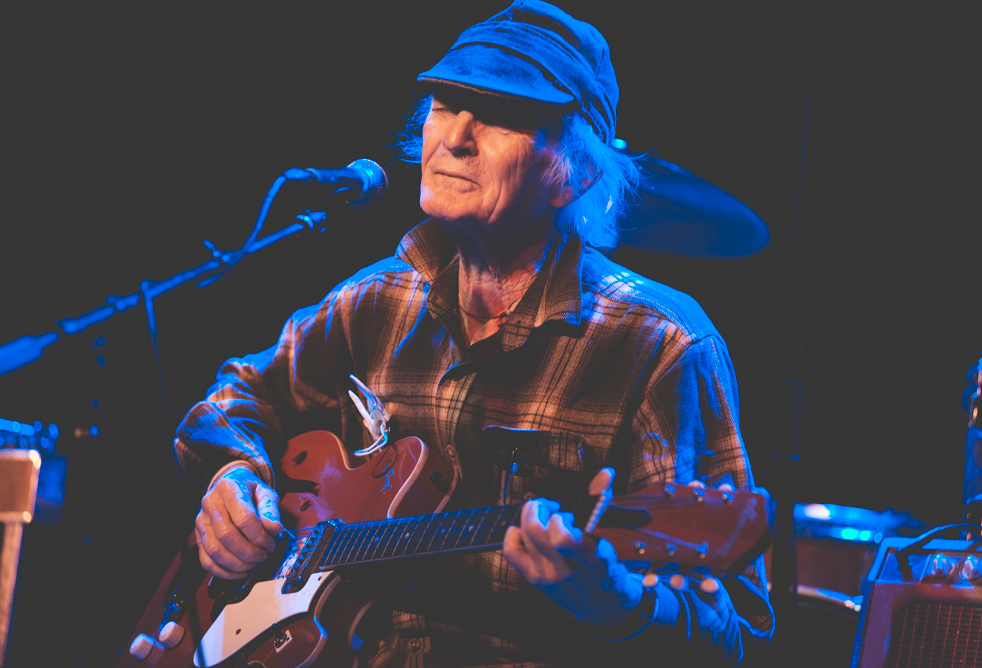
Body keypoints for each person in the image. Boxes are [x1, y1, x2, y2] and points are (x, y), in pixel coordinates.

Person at [175, 1, 774, 665]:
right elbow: (231, 401)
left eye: (501, 114)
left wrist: (616, 603)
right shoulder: (376, 299)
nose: (455, 136)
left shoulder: (661, 345)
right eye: (444, 104)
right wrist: (235, 476)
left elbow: (734, 631)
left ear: (578, 172)